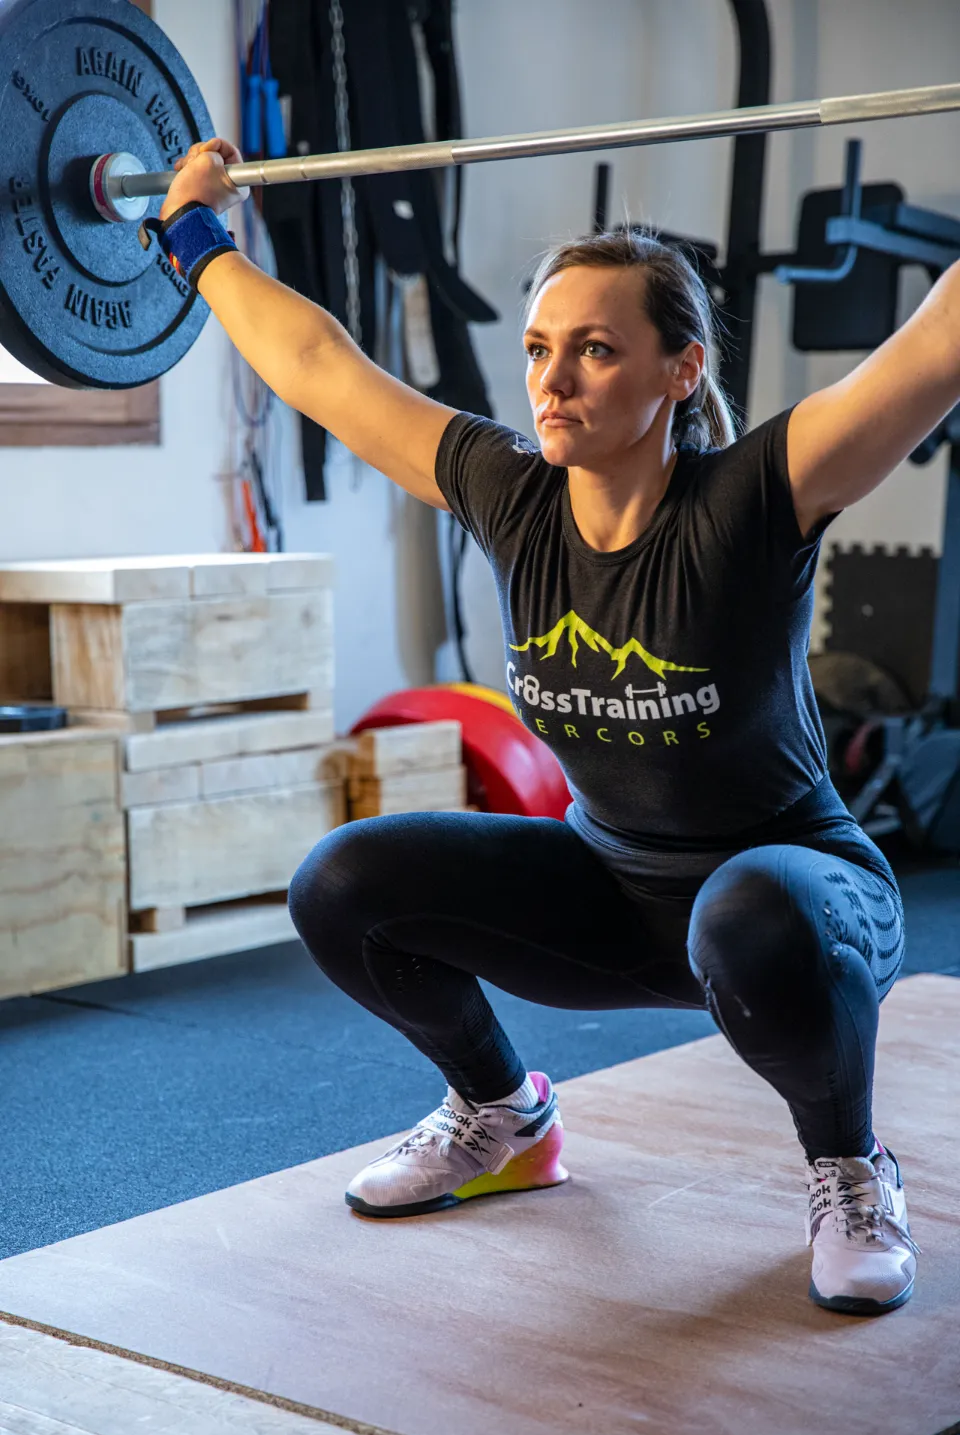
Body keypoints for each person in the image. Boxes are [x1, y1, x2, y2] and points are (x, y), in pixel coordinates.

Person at [154, 135, 957, 1317]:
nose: (554, 380)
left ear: (680, 372)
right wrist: (194, 239)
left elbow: (936, 346)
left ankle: (850, 1167)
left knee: (751, 918)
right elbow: (318, 364)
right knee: (342, 882)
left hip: (800, 902)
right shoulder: (509, 492)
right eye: (540, 348)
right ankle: (505, 1117)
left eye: (594, 349)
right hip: (610, 892)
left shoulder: (755, 496)